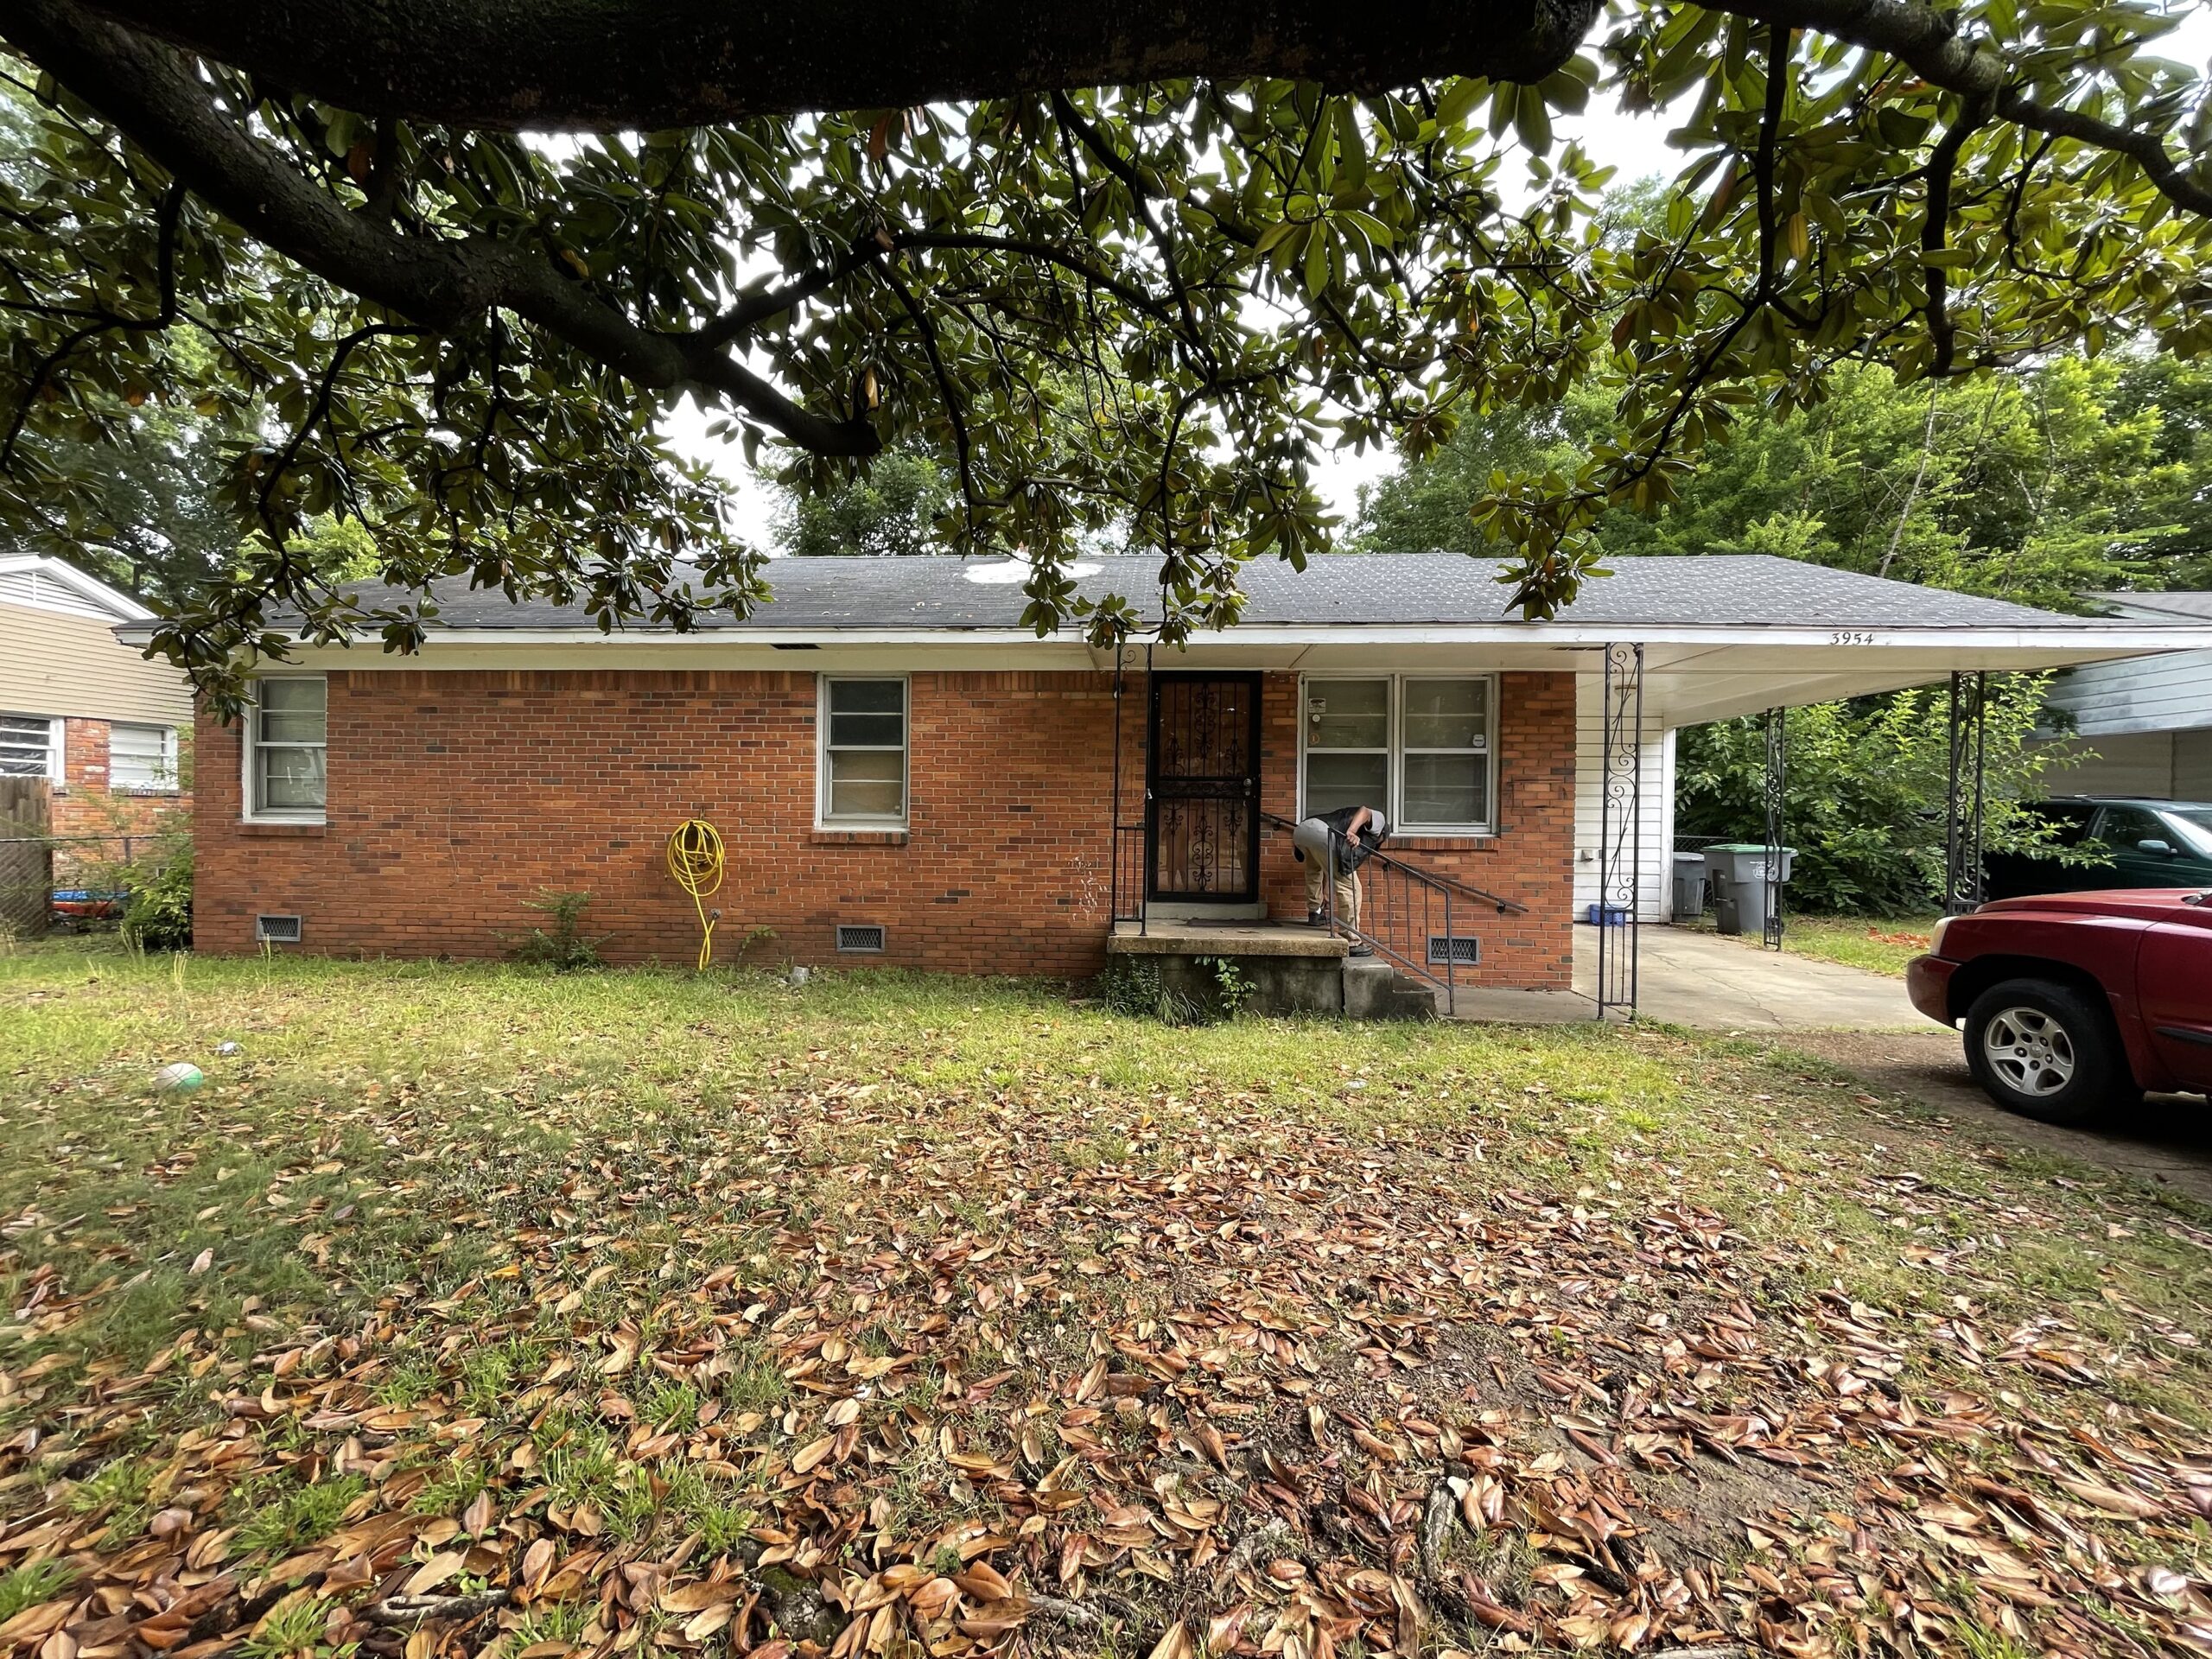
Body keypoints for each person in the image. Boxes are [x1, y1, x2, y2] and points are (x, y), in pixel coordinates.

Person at [1291, 804, 1387, 955]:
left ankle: (1315, 912)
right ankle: (1352, 941)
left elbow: (1331, 868)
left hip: (1303, 830)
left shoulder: (1344, 820)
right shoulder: (1380, 822)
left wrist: (1327, 893)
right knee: (1352, 888)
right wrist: (1352, 831)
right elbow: (1365, 811)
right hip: (1323, 833)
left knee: (1314, 871)